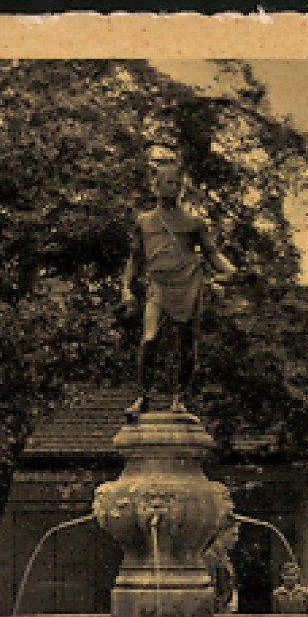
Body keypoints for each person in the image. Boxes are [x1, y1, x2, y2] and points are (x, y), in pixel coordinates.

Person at [120, 151, 242, 419]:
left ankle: (179, 399)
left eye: (176, 183)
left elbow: (212, 252)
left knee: (185, 344)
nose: (172, 187)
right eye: (167, 182)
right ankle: (142, 397)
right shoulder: (144, 221)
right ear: (156, 185)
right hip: (158, 285)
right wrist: (126, 287)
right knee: (148, 338)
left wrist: (232, 272)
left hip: (187, 283)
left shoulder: (193, 222)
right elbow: (135, 258)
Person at [204, 519, 240, 613]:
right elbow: (209, 592)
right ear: (221, 533)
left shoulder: (225, 557)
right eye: (233, 534)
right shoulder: (210, 557)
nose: (236, 539)